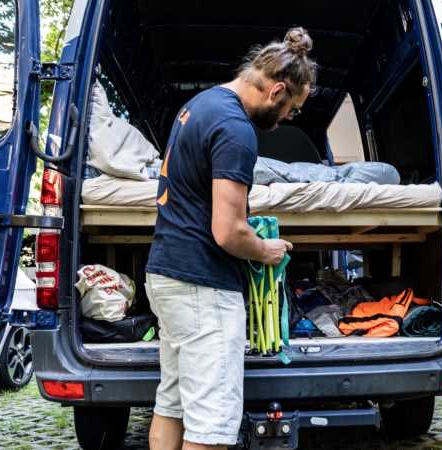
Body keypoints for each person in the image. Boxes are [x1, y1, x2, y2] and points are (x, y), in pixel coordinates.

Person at [144, 27, 317, 450]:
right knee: (211, 426)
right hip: (203, 286)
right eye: (291, 109)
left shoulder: (198, 106)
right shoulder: (236, 130)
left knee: (172, 405)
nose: (287, 119)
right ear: (276, 91)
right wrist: (267, 250)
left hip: (166, 275)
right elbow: (228, 231)